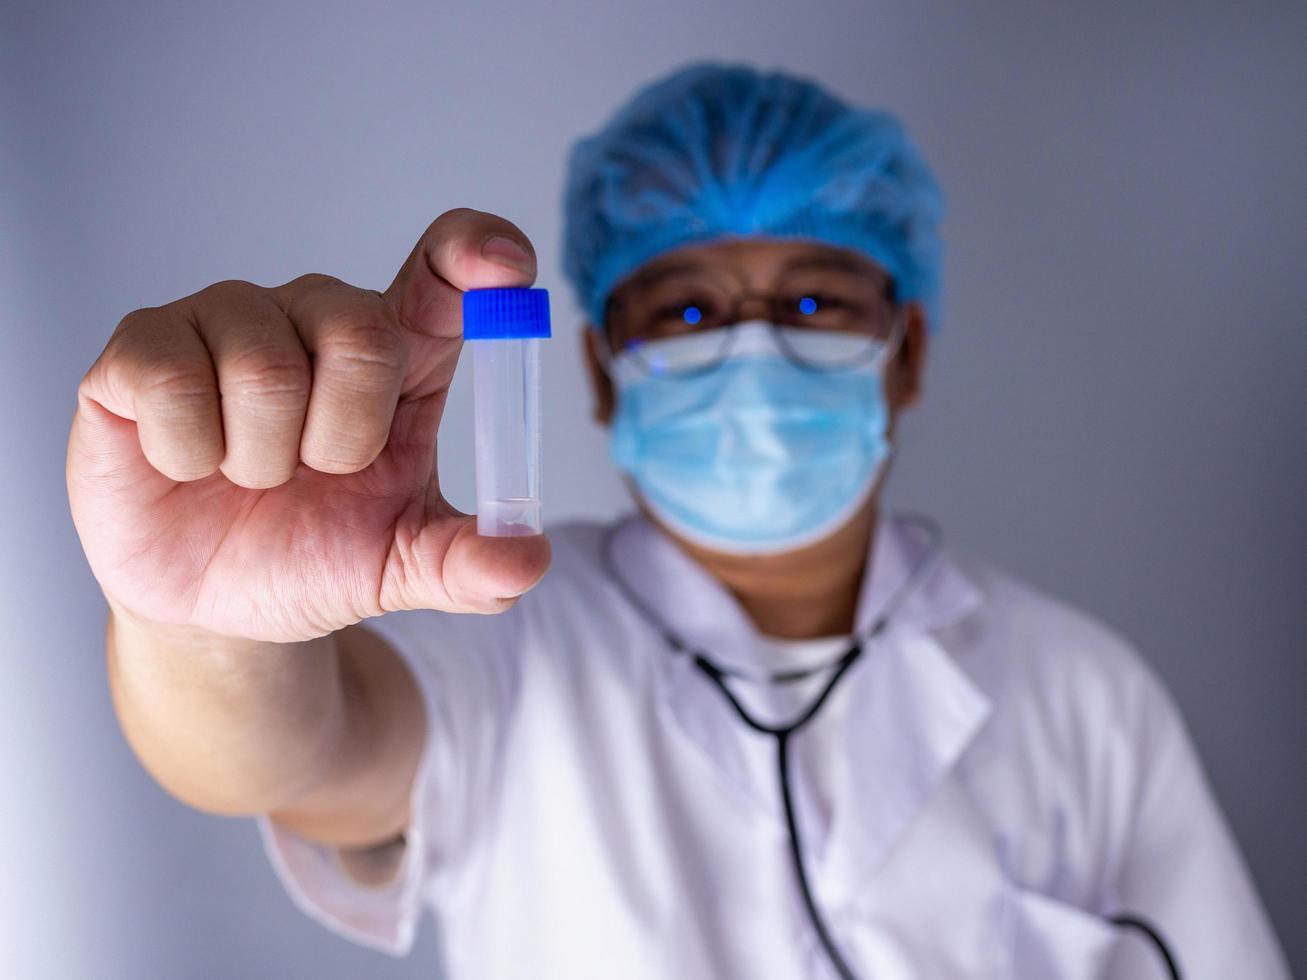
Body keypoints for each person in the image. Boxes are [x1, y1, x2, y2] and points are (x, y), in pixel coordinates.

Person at [65, 61, 1288, 979]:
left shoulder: (1080, 691)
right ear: (597, 369)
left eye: (814, 297)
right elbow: (299, 753)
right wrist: (198, 629)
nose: (753, 344)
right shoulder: (506, 638)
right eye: (686, 312)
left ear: (904, 352)